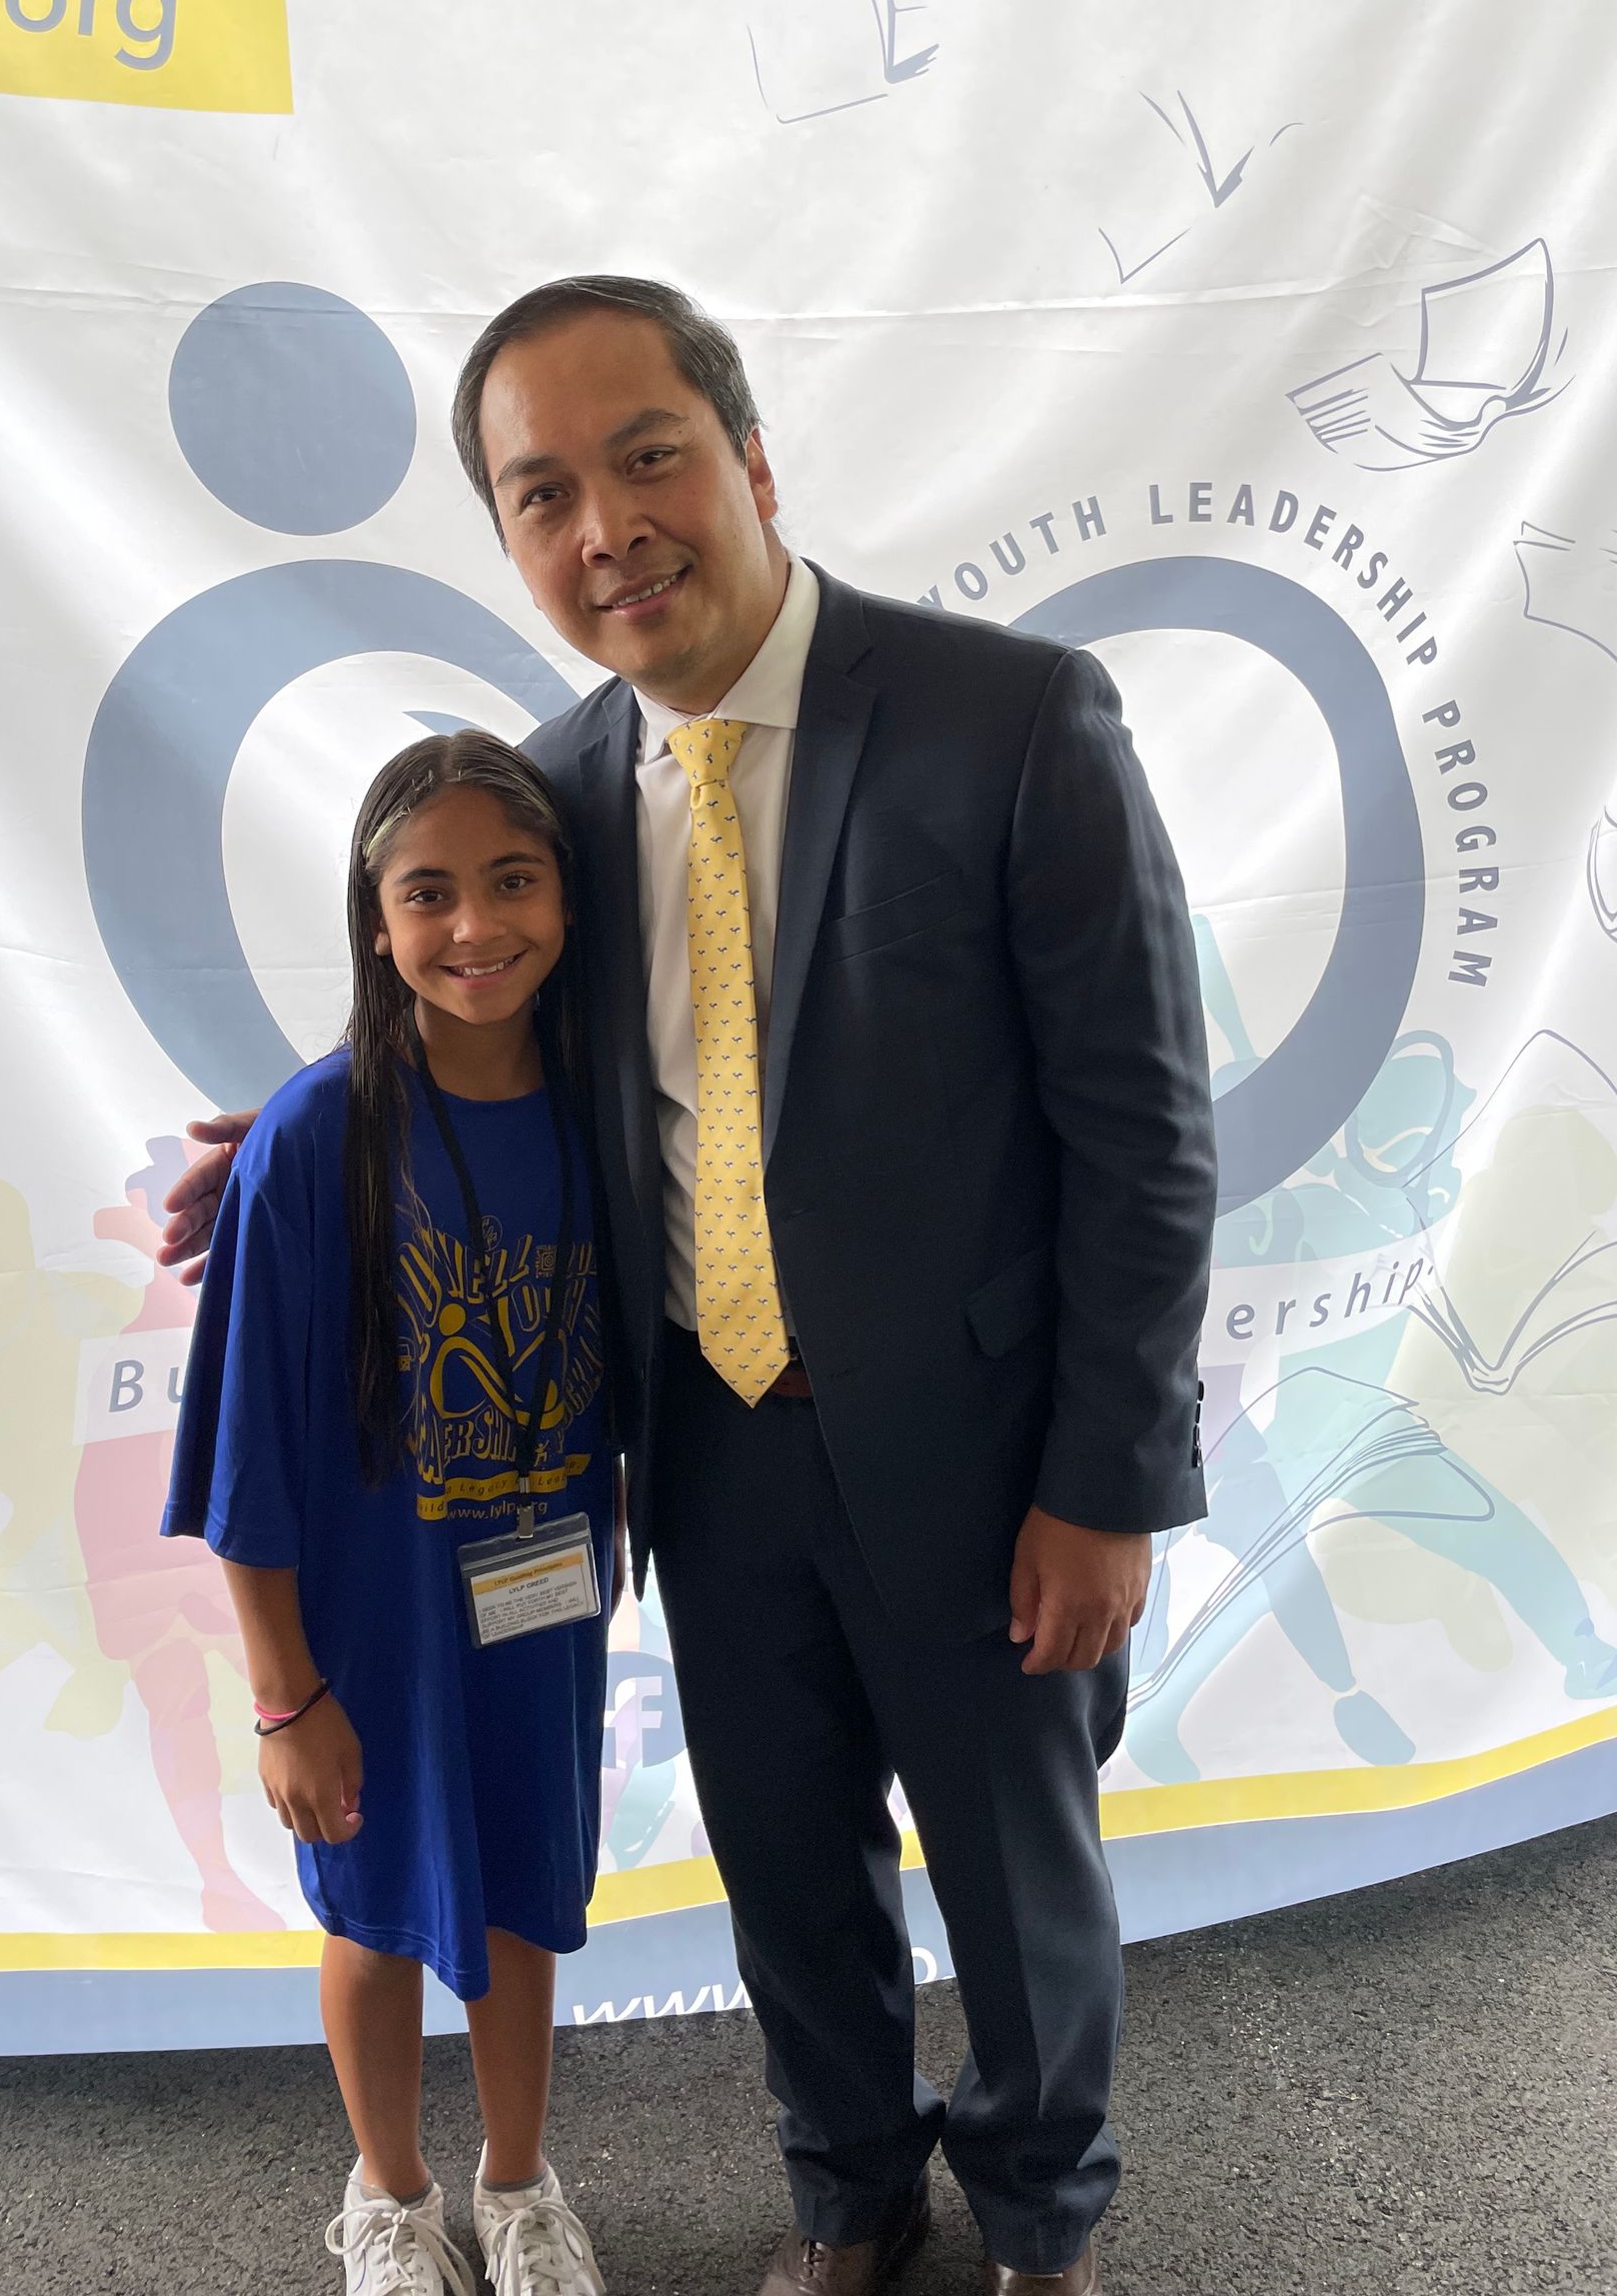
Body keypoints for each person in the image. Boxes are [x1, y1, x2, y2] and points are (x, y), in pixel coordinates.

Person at [164, 280, 1217, 2296]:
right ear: (509, 536)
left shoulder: (1008, 718)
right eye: (539, 490)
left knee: (1020, 1887)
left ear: (747, 457)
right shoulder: (560, 783)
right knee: (787, 1866)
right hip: (705, 1448)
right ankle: (846, 2192)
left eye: (644, 456)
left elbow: (1147, 1132)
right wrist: (306, 1123)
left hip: (994, 1462)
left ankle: (1037, 2224)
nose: (604, 526)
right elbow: (482, 1009)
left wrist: (1107, 1482)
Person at [163, 731, 618, 2296]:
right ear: (375, 920)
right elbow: (242, 1461)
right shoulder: (315, 1139)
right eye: (430, 894)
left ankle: (516, 2184)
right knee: (370, 1914)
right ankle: (390, 2192)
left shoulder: (604, 1110)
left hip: (540, 1600)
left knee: (516, 1902)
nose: (476, 927)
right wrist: (287, 1696)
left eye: (513, 881)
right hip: (370, 1627)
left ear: (569, 894)